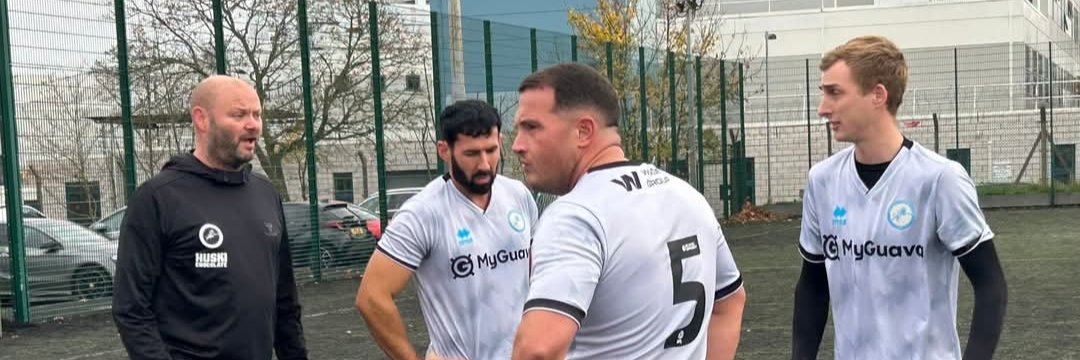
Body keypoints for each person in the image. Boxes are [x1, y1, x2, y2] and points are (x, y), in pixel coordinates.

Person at [509, 63, 746, 360]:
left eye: (532, 127)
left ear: (583, 131)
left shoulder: (575, 216)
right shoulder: (687, 197)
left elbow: (537, 350)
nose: (517, 145)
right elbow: (730, 302)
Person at [792, 35, 1008, 360]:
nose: (823, 108)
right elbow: (812, 286)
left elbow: (991, 285)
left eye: (835, 93)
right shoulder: (822, 181)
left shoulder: (939, 179)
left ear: (878, 95)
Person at [111, 75, 307, 359]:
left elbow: (285, 302)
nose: (253, 124)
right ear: (202, 119)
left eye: (257, 114)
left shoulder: (266, 194)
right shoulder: (158, 198)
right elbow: (131, 309)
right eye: (239, 114)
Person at [355, 99, 539, 360]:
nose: (485, 164)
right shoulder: (421, 214)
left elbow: (537, 276)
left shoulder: (518, 195)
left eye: (491, 150)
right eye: (472, 154)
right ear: (444, 150)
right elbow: (371, 298)